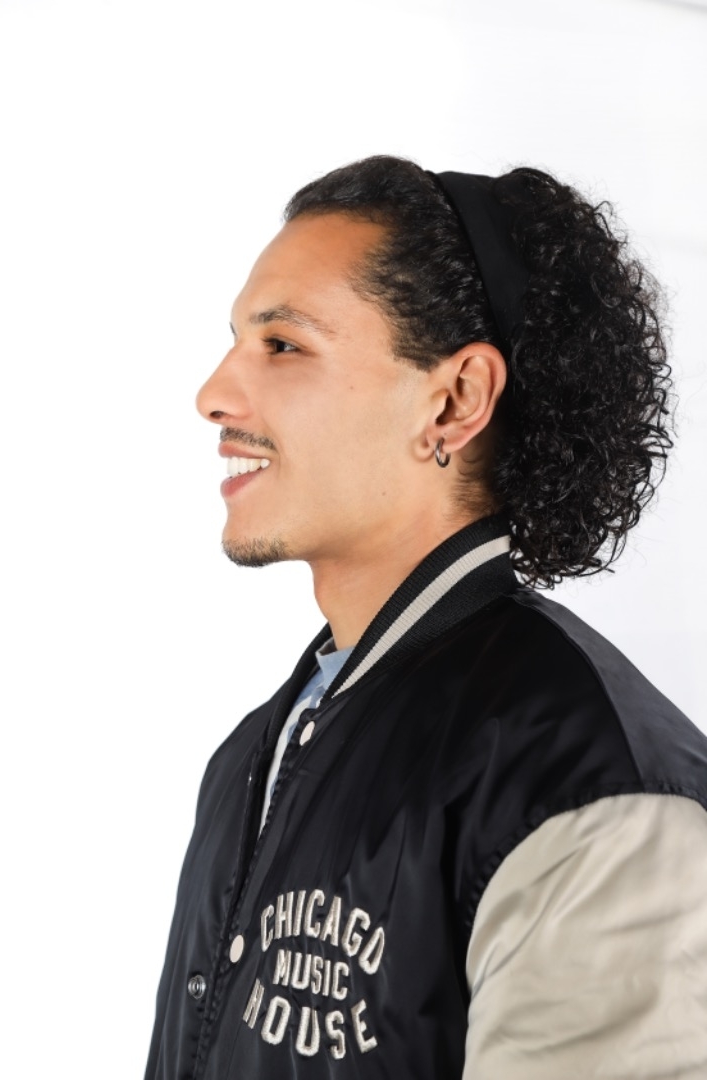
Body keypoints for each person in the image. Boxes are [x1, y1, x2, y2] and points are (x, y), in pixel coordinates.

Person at [143, 156, 707, 1079]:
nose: (214, 394)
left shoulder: (592, 792)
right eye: (237, 341)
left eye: (282, 345)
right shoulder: (253, 759)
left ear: (454, 400)